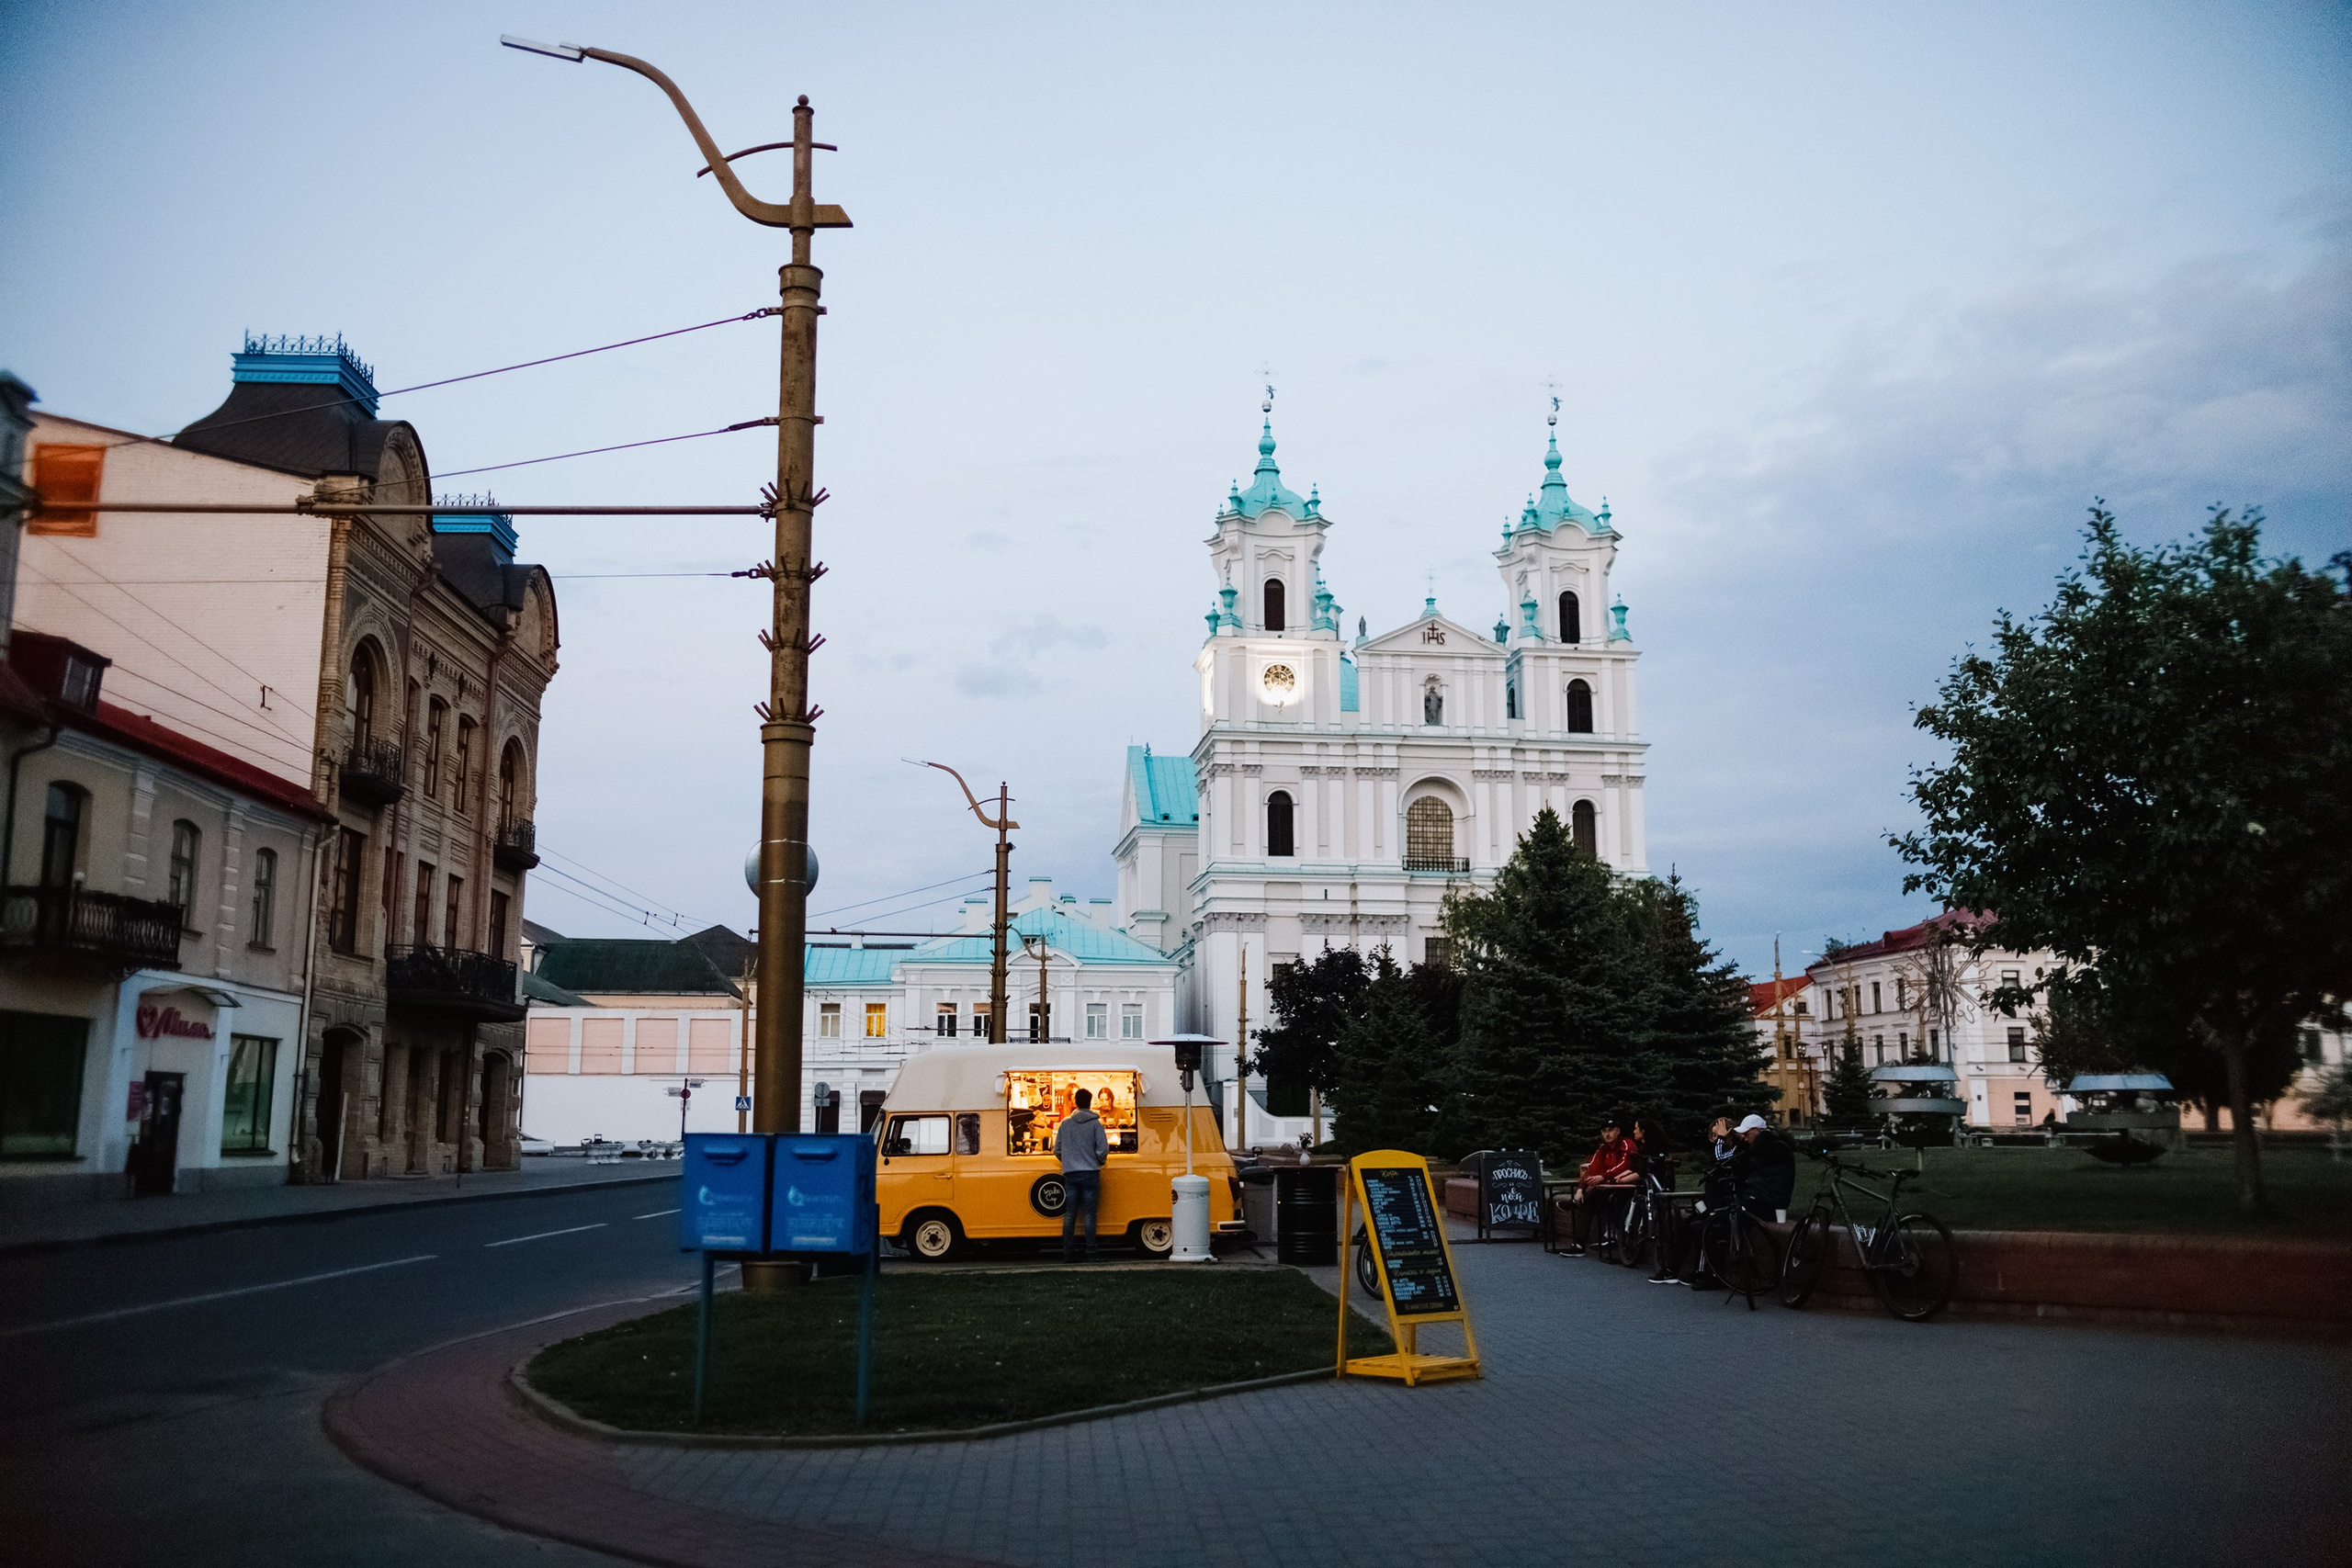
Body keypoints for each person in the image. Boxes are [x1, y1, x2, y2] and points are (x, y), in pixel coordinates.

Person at [1565, 1116, 1639, 1255]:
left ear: (1617, 1131)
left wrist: (1603, 1177)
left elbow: (1625, 1165)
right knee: (1586, 1203)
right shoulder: (1602, 1149)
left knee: (1595, 1197)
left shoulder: (1626, 1144)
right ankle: (1579, 1245)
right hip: (1606, 1188)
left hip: (1624, 1189)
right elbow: (1592, 1170)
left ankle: (1613, 1238)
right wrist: (1581, 1189)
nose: (1607, 1134)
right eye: (1604, 1131)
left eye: (1610, 1130)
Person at [1054, 1087, 1109, 1261]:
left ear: (1075, 1102)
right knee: (1089, 1215)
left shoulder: (1065, 1123)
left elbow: (1057, 1149)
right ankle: (1091, 1252)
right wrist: (1098, 1161)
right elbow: (1103, 1149)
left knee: (1070, 1214)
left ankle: (1068, 1253)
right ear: (1090, 1102)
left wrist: (1068, 1161)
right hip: (1090, 1173)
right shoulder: (1095, 1124)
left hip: (1071, 1174)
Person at [1736, 1112, 1797, 1221]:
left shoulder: (1770, 1148)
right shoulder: (1772, 1145)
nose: (1745, 1138)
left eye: (1747, 1134)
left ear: (1757, 1130)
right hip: (1768, 1198)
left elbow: (1747, 1168)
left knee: (1734, 1211)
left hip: (1766, 1200)